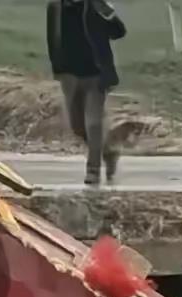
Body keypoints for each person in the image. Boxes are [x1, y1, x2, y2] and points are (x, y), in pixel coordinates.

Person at [46, 0, 127, 187]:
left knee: (93, 124)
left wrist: (108, 14)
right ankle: (108, 151)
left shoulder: (95, 6)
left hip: (95, 74)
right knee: (77, 127)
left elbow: (119, 32)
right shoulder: (55, 6)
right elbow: (52, 38)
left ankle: (93, 171)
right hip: (69, 75)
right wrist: (57, 68)